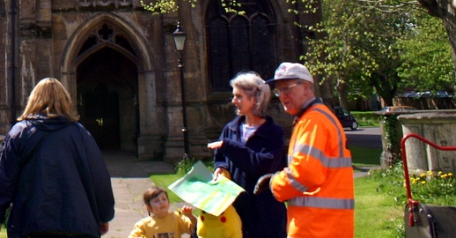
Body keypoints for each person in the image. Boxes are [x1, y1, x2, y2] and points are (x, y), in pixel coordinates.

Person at [0, 78, 115, 237]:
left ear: (33, 100)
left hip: (31, 225)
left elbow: (5, 179)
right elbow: (100, 179)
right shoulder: (80, 134)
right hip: (77, 225)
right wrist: (104, 215)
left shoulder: (19, 133)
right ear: (66, 101)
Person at [260, 62, 354, 238]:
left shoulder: (313, 121)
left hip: (317, 228)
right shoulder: (315, 118)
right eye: (279, 90)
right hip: (325, 226)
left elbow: (304, 173)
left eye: (287, 88)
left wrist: (275, 183)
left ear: (307, 87)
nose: (282, 96)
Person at [209, 71, 287, 238]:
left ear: (255, 99)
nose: (233, 101)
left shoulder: (273, 133)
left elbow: (262, 165)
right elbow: (220, 156)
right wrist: (220, 167)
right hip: (235, 214)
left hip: (265, 216)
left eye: (239, 96)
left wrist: (229, 146)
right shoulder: (230, 128)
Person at [128, 186, 196, 238]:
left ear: (169, 203)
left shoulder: (177, 218)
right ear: (149, 208)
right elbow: (133, 236)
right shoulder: (143, 225)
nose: (161, 202)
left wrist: (190, 216)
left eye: (164, 199)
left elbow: (194, 229)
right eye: (156, 201)